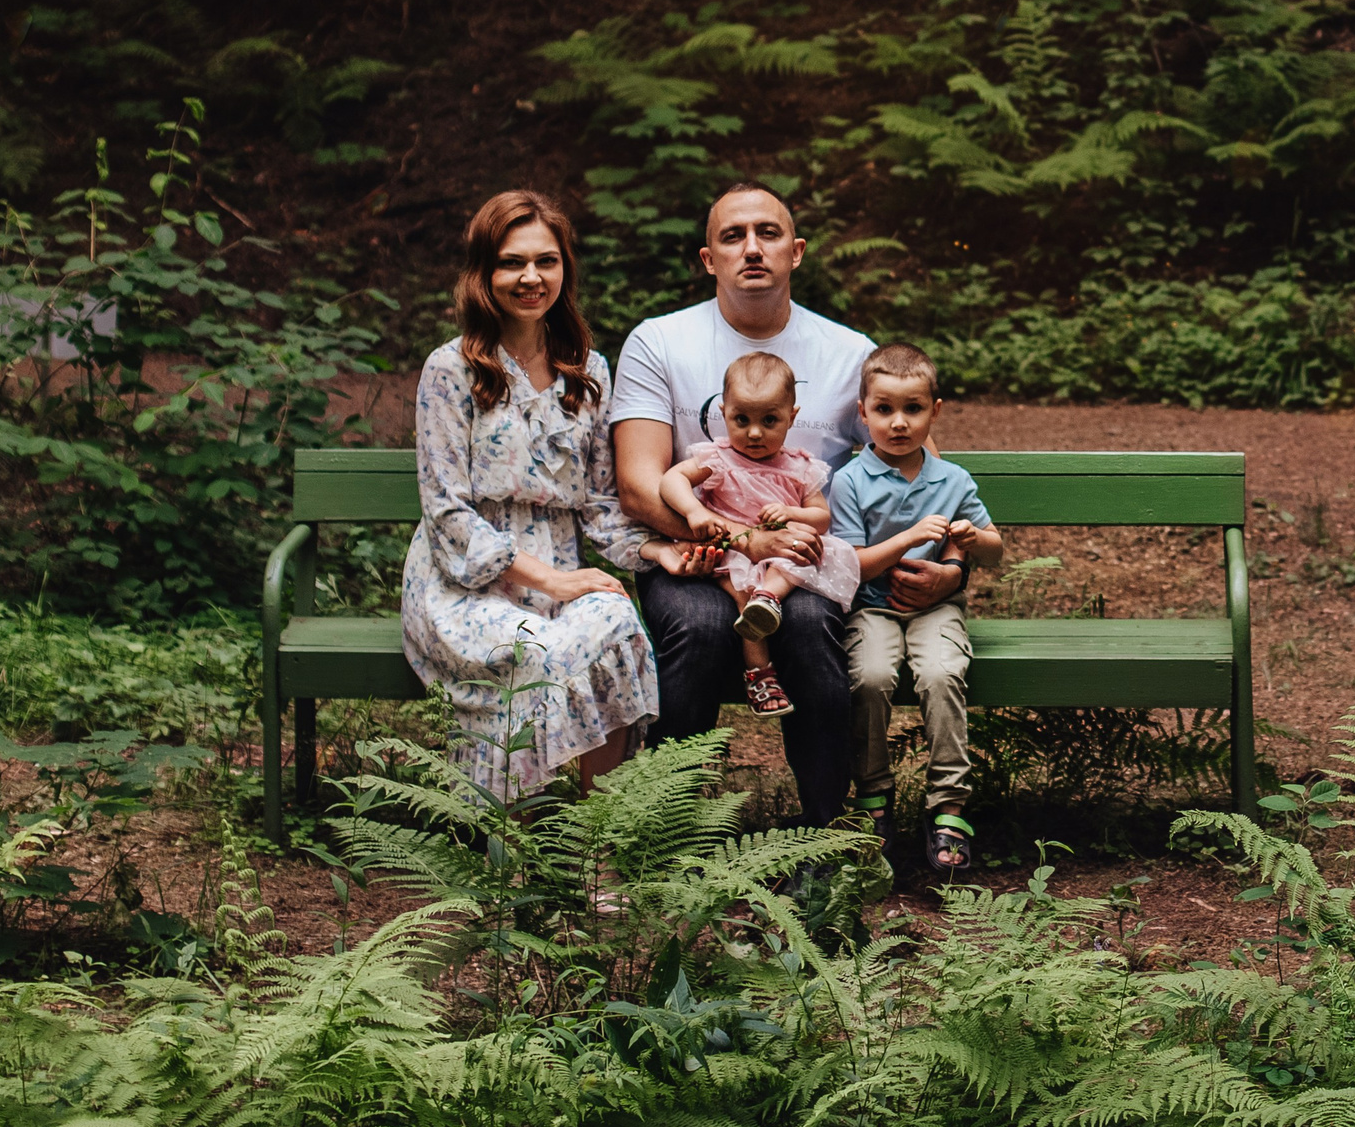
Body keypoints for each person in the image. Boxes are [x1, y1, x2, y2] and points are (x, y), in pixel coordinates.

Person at [614, 184, 960, 824]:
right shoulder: (657, 343)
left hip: (803, 559)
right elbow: (639, 486)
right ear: (707, 257)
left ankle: (826, 836)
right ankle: (665, 831)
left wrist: (948, 568)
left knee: (807, 626)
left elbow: (921, 475)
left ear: (796, 252)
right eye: (732, 236)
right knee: (698, 625)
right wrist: (744, 542)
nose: (752, 248)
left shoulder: (849, 352)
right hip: (698, 554)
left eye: (768, 233)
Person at [403, 191, 658, 800]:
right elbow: (446, 514)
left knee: (618, 621)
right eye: (511, 262)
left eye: (546, 260)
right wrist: (552, 582)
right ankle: (508, 856)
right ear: (483, 274)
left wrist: (660, 553)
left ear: (564, 268)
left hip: (559, 576)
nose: (530, 277)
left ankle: (601, 853)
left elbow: (600, 503)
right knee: (534, 650)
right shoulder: (451, 370)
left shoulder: (589, 370)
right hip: (462, 586)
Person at [828, 342, 1003, 881]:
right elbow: (850, 564)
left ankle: (949, 805)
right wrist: (908, 538)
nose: (898, 423)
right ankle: (874, 794)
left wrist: (974, 540)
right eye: (883, 409)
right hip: (873, 610)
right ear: (863, 414)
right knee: (871, 675)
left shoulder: (952, 481)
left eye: (913, 409)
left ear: (936, 411)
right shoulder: (849, 482)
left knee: (942, 672)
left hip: (937, 611)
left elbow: (996, 548)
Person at [657, 352, 857, 717]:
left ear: (792, 417)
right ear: (723, 412)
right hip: (735, 554)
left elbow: (821, 518)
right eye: (741, 419)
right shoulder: (718, 459)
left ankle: (770, 596)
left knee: (813, 552)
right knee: (742, 594)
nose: (753, 432)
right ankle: (759, 673)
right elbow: (672, 479)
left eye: (769, 420)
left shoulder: (800, 467)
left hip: (783, 560)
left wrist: (793, 513)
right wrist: (695, 510)